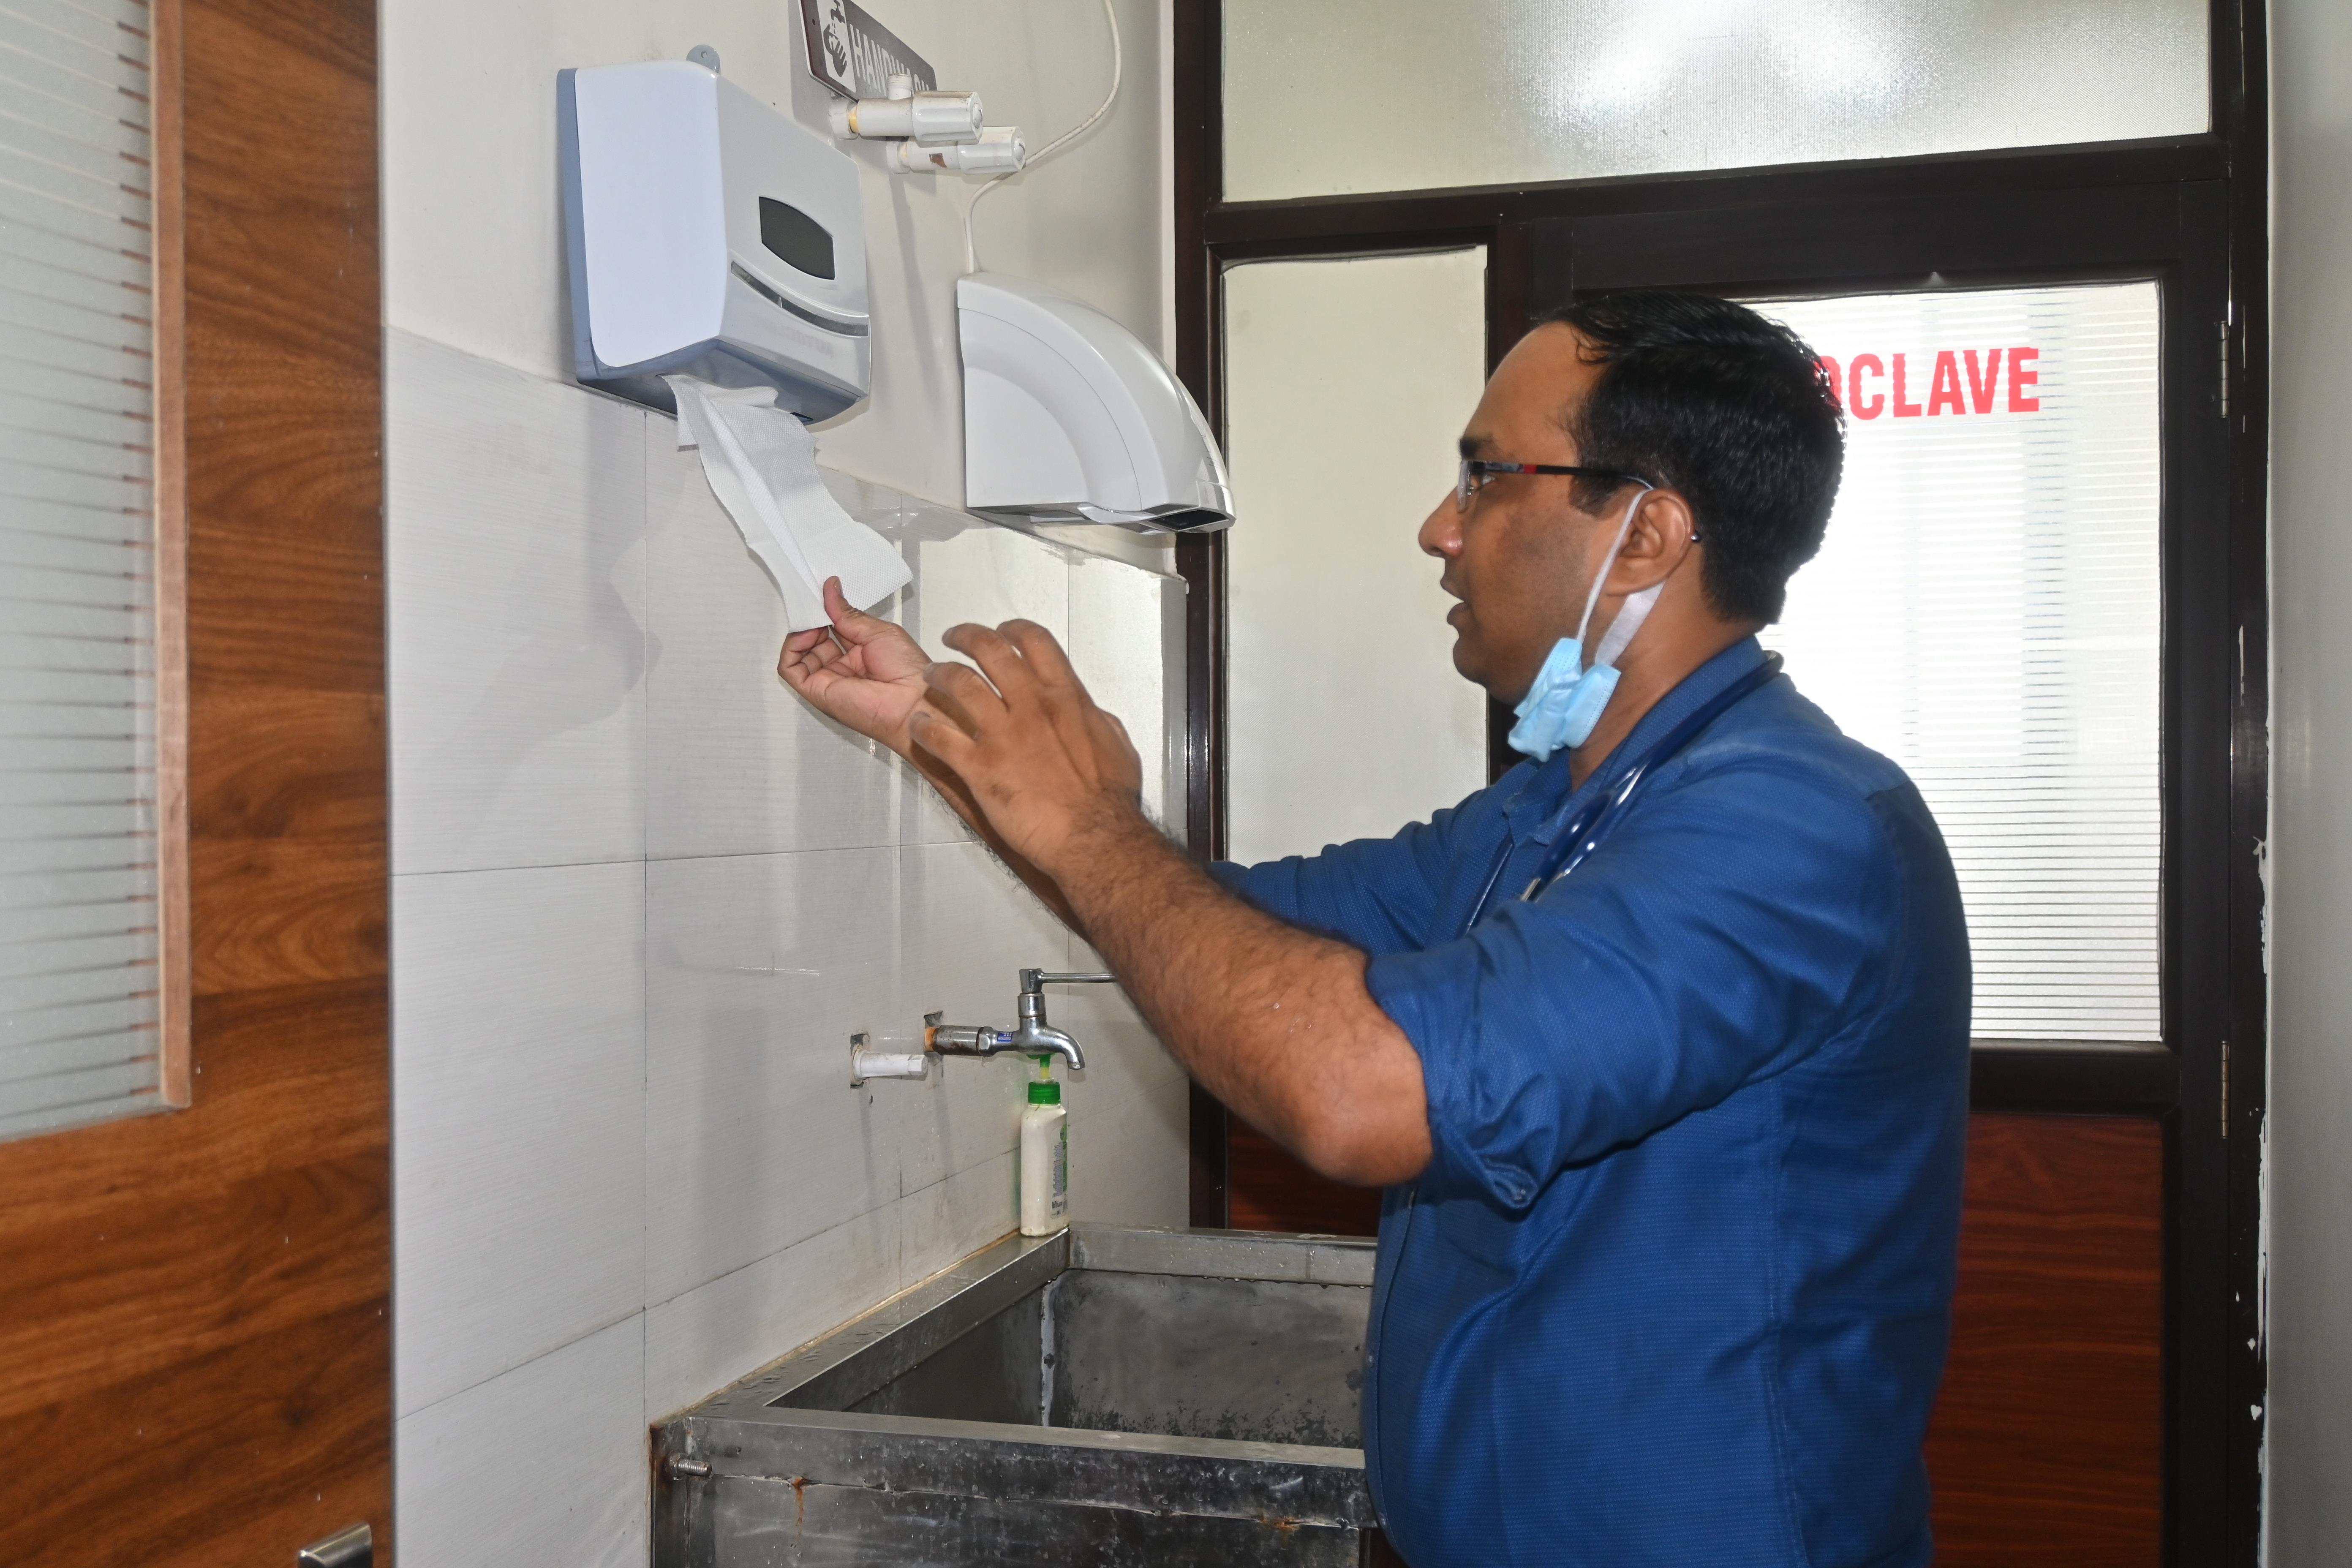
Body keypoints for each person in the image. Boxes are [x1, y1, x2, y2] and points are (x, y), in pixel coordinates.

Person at [779, 290, 1971, 1567]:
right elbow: (1210, 927)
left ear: (1646, 535)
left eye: (1485, 477)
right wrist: (951, 736)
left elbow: (1357, 1088)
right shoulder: (1544, 814)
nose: (1439, 529)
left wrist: (1089, 826)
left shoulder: (1795, 834)